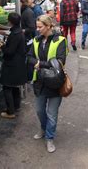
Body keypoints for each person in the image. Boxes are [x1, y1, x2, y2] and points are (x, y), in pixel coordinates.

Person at [27, 15, 68, 153]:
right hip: (39, 81)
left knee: (52, 113)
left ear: (49, 26)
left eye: (40, 27)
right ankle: (44, 128)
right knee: (39, 110)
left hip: (56, 82)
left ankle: (49, 138)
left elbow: (60, 60)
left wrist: (40, 64)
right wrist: (40, 64)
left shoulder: (60, 40)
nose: (37, 29)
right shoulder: (36, 40)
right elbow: (30, 57)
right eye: (37, 27)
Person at [0, 13, 27, 119]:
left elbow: (10, 51)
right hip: (18, 63)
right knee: (14, 86)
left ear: (10, 22)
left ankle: (10, 112)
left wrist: (2, 47)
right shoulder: (19, 32)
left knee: (7, 86)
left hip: (12, 64)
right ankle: (16, 106)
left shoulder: (15, 34)